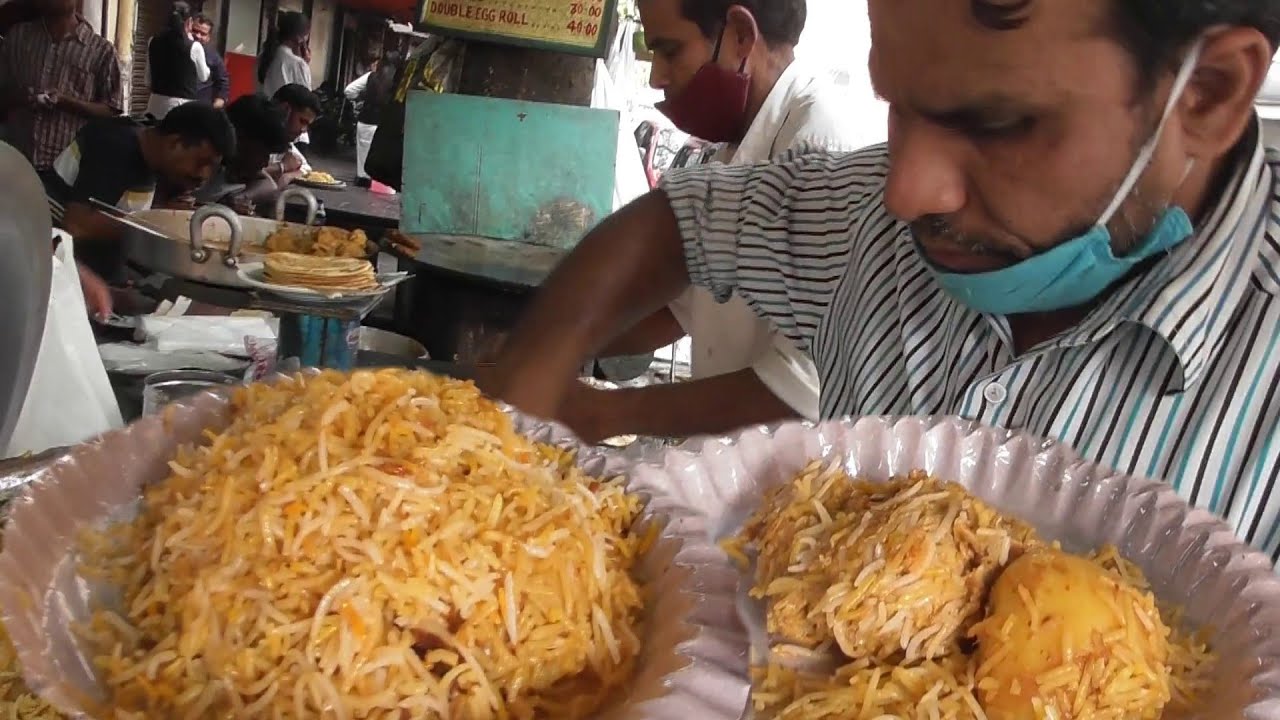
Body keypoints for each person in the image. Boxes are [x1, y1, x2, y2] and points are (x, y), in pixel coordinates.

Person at [486, 0, 1280, 559]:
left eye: (997, 125)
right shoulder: (862, 208)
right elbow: (680, 224)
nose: (908, 191)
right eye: (900, 107)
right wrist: (524, 392)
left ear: (1207, 93)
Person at [567, 0, 859, 442]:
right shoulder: (735, 152)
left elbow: (807, 382)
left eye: (669, 51)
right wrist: (558, 347)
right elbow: (680, 307)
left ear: (741, 35)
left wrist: (611, 412)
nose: (657, 77)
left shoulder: (820, 150)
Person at [41, 102, 233, 294]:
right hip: (51, 263)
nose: (204, 175)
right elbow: (78, 225)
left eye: (212, 168)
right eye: (201, 162)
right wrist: (157, 223)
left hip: (94, 269)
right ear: (175, 143)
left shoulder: (152, 153)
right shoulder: (116, 147)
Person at [0, 0, 120, 170]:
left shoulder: (101, 51)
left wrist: (67, 102)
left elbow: (112, 110)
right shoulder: (17, 38)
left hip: (67, 170)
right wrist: (21, 97)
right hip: (15, 163)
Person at [193, 92, 289, 211]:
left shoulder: (232, 162)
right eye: (263, 153)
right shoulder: (197, 158)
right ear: (239, 137)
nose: (265, 162)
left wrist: (238, 199)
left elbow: (268, 184)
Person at [145, 1, 210, 120]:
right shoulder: (194, 47)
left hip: (154, 106)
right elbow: (204, 76)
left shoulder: (152, 41)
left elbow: (147, 81)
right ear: (189, 22)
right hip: (181, 109)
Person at [345, 49, 399, 186]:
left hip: (366, 119)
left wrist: (362, 98)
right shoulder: (398, 81)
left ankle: (362, 180)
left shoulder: (371, 76)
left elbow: (349, 91)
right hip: (384, 123)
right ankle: (377, 183)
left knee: (363, 155)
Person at [262, 82, 318, 189]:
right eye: (302, 121)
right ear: (285, 109)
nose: (303, 130)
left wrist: (288, 176)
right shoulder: (252, 131)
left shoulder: (284, 141)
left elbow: (305, 167)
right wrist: (281, 167)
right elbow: (240, 173)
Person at [258, 11, 310, 99]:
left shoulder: (262, 57)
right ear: (299, 38)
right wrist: (305, 65)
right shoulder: (298, 64)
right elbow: (306, 103)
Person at [192, 13, 229, 109]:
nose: (198, 36)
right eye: (195, 31)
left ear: (208, 37)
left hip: (201, 107)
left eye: (203, 34)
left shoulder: (214, 57)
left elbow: (223, 82)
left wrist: (218, 102)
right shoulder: (179, 49)